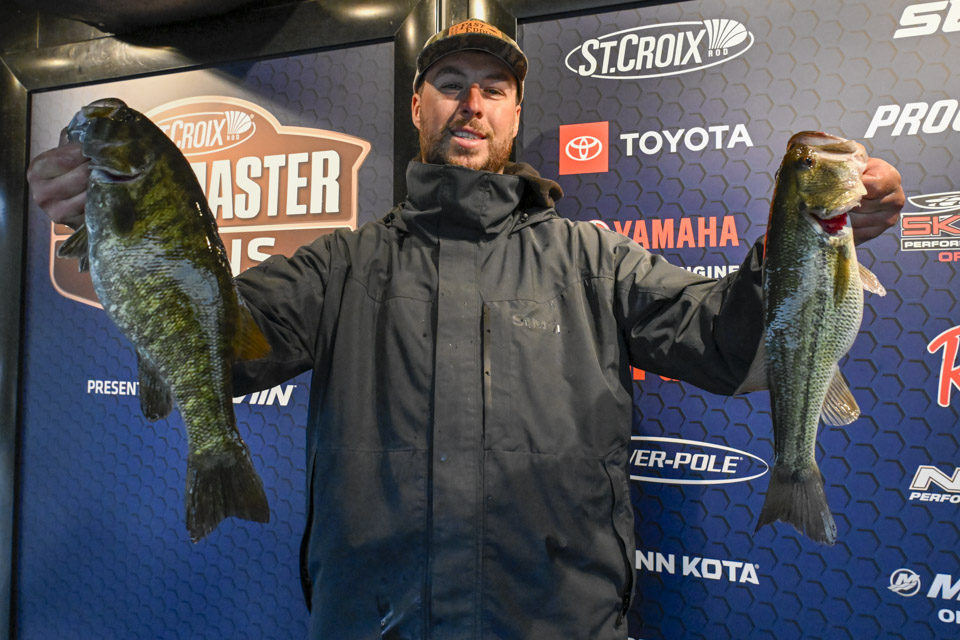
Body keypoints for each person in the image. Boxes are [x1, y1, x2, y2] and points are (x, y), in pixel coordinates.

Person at [28, 18, 904, 640]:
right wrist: (123, 233)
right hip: (374, 623)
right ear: (418, 107)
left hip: (559, 625)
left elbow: (723, 340)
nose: (471, 103)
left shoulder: (596, 260)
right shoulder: (339, 266)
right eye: (450, 84)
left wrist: (795, 251)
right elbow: (219, 347)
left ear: (516, 114)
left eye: (494, 89)